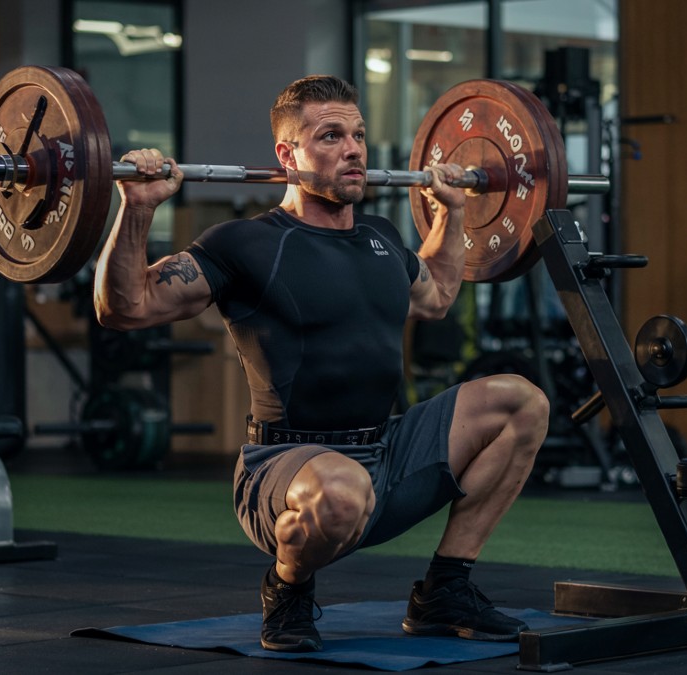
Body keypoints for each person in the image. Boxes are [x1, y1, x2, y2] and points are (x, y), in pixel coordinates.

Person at [94, 75, 549, 653]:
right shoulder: (243, 244)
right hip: (286, 468)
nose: (353, 149)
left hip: (386, 453)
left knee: (521, 402)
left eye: (358, 135)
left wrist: (451, 213)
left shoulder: (381, 237)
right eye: (331, 136)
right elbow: (125, 308)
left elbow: (434, 296)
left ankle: (446, 590)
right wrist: (136, 208)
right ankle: (287, 588)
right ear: (288, 156)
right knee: (341, 489)